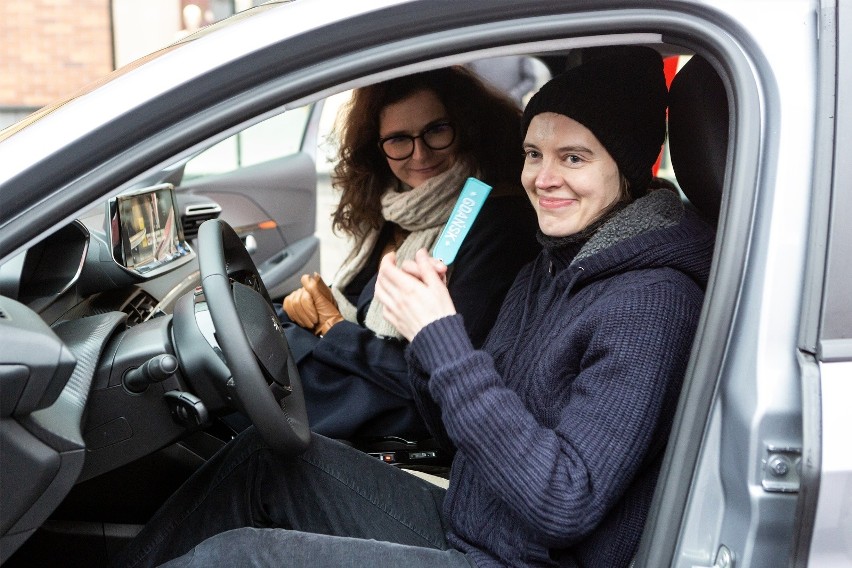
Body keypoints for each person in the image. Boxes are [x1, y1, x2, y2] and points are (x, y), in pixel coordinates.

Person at [112, 47, 716, 568]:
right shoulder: (552, 264)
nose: (543, 178)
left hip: (518, 557)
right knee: (262, 462)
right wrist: (427, 343)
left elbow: (563, 501)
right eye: (533, 154)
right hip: (473, 521)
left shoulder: (650, 302)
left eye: (574, 157)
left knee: (237, 559)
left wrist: (440, 335)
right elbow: (451, 426)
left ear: (631, 169)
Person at [276, 67, 540, 442]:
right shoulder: (395, 208)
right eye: (399, 139)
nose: (419, 154)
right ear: (377, 147)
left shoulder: (497, 220)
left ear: (467, 127)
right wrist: (313, 304)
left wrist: (334, 328)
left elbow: (439, 368)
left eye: (436, 131)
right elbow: (356, 306)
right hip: (369, 381)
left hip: (414, 414)